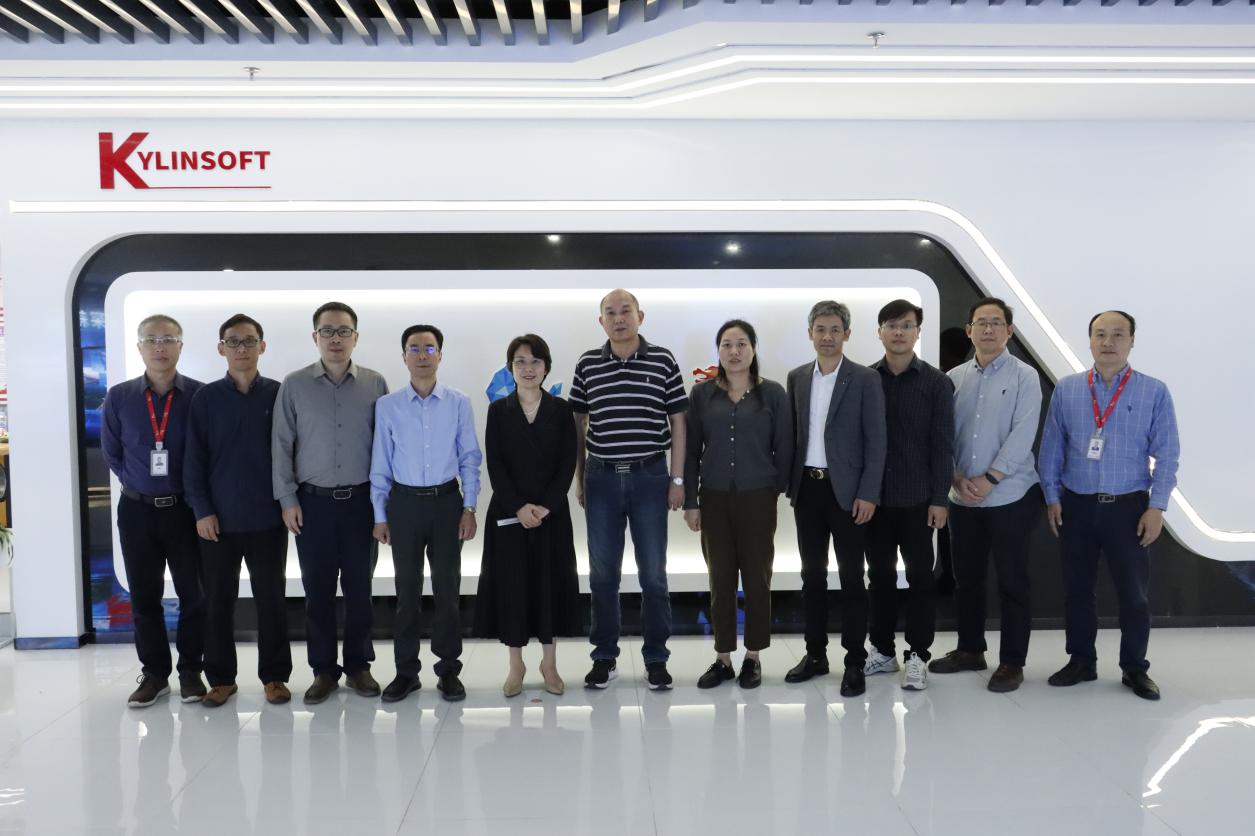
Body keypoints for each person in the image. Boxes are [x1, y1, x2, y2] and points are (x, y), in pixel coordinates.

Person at [1039, 311, 1179, 701]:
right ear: (1089, 340)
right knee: (1077, 590)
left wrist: (1157, 507)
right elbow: (1051, 448)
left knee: (1134, 595)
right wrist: (1052, 496)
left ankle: (1134, 668)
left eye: (1118, 334)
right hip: (1076, 505)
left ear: (1132, 341)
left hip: (1128, 507)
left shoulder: (1153, 391)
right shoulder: (1068, 389)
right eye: (1100, 334)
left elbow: (1168, 455)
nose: (1108, 342)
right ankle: (1081, 660)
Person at [571, 289, 689, 691]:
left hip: (650, 477)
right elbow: (578, 424)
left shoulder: (663, 360)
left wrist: (677, 480)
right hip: (601, 478)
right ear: (600, 321)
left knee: (653, 574)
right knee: (603, 575)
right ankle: (604, 657)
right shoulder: (587, 363)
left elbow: (678, 422)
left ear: (641, 316)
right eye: (611, 312)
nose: (619, 318)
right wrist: (580, 478)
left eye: (626, 311)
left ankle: (656, 658)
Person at [272, 301, 389, 705]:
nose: (335, 339)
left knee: (360, 589)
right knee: (317, 591)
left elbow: (385, 448)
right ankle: (323, 670)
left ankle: (358, 666)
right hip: (312, 504)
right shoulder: (294, 385)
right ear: (315, 336)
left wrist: (383, 507)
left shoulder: (375, 383)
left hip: (361, 503)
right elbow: (281, 445)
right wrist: (287, 498)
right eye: (327, 331)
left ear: (356, 337)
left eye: (343, 331)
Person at [930, 297, 1043, 693]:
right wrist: (956, 477)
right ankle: (970, 650)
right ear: (969, 330)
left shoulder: (1025, 376)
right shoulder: (953, 378)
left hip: (1011, 495)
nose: (989, 329)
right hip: (963, 497)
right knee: (967, 580)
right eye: (981, 322)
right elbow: (943, 434)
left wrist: (991, 478)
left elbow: (1024, 433)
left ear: (1009, 331)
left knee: (1012, 581)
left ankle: (1012, 661)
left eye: (997, 322)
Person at [184, 313, 292, 707]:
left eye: (248, 341)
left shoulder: (280, 394)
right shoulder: (206, 398)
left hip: (268, 519)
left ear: (262, 346)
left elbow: (291, 454)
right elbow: (193, 460)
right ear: (221, 349)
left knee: (271, 600)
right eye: (233, 341)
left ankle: (275, 677)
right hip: (218, 522)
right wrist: (202, 511)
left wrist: (289, 504)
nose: (241, 348)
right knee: (217, 601)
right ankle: (221, 679)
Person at [370, 324, 481, 703]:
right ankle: (406, 672)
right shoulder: (388, 406)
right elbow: (380, 463)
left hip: (447, 503)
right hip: (403, 505)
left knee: (447, 590)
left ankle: (448, 670)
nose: (422, 355)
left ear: (440, 355)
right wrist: (380, 515)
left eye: (430, 348)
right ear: (404, 357)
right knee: (407, 591)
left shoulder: (458, 402)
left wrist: (469, 507)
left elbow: (470, 458)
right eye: (414, 349)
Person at [101, 314, 206, 708]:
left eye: (168, 339)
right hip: (137, 510)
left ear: (181, 346)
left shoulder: (199, 396)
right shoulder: (120, 397)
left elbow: (206, 453)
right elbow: (113, 453)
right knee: (145, 597)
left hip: (185, 510)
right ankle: (155, 675)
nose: (159, 346)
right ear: (140, 347)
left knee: (194, 596)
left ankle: (191, 671)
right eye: (151, 339)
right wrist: (141, 482)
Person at [784, 300, 887, 697]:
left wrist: (868, 493)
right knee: (811, 576)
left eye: (834, 330)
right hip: (807, 489)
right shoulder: (797, 377)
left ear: (847, 334)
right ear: (810, 333)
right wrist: (789, 484)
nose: (827, 337)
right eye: (820, 329)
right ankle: (815, 654)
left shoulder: (865, 379)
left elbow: (877, 441)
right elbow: (794, 434)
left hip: (849, 493)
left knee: (851, 578)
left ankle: (854, 661)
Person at [683, 320, 793, 690]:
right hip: (713, 497)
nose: (734, 351)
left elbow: (785, 445)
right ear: (718, 351)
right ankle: (723, 658)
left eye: (742, 344)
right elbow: (691, 450)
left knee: (758, 578)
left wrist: (775, 488)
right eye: (727, 345)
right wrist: (691, 501)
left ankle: (753, 657)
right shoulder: (702, 394)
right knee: (720, 578)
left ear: (753, 349)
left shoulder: (772, 393)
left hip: (758, 497)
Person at [474, 334, 581, 697]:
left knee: (550, 586)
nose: (528, 368)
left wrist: (546, 506)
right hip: (510, 515)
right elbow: (496, 465)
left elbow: (567, 462)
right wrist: (520, 507)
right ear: (510, 368)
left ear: (546, 367)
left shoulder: (561, 410)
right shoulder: (498, 411)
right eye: (520, 362)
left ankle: (549, 665)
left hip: (552, 514)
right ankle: (515, 665)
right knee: (513, 588)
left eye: (535, 361)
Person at [864, 300, 955, 691]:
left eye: (906, 325)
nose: (898, 332)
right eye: (891, 325)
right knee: (879, 577)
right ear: (879, 332)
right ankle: (882, 652)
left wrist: (940, 498)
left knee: (920, 579)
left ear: (918, 332)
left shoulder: (937, 383)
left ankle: (918, 655)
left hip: (919, 499)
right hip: (874, 500)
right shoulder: (865, 380)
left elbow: (943, 445)